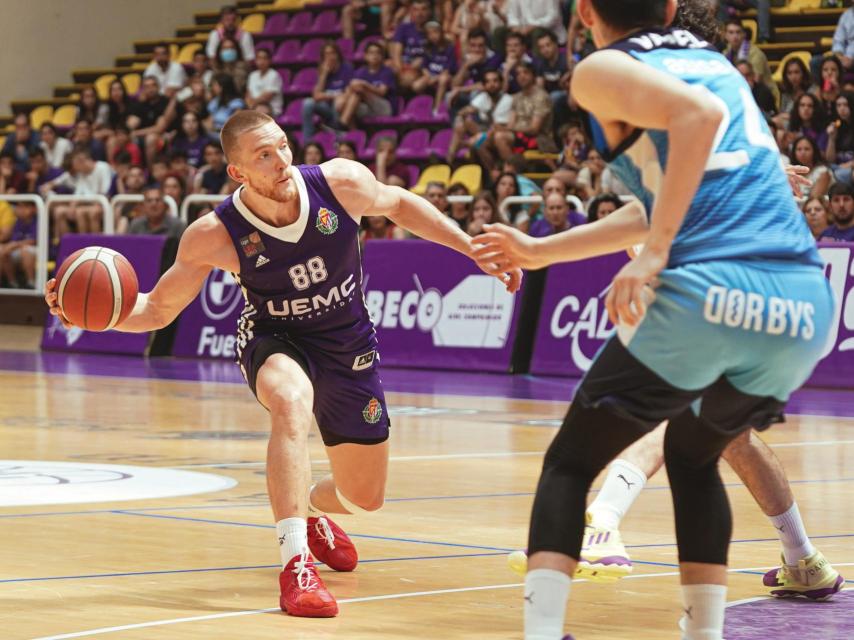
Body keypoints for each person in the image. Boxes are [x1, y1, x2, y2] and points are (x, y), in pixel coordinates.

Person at [44, 109, 520, 618]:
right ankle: (295, 566)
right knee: (290, 402)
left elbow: (401, 204)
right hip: (275, 336)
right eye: (263, 156)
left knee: (365, 500)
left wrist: (472, 248)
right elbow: (158, 309)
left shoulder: (340, 183)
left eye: (283, 147)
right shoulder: (214, 234)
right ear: (238, 172)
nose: (281, 162)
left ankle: (311, 508)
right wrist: (89, 315)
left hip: (347, 341)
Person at [472, 2, 837, 638]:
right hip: (803, 304)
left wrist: (659, 254)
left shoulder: (602, 69)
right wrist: (538, 251)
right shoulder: (718, 64)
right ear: (669, 7)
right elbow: (667, 193)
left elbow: (694, 123)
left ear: (583, 12)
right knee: (693, 455)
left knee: (566, 465)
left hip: (712, 289)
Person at [446, 69, 513, 164]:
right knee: (462, 123)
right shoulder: (483, 97)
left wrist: (477, 138)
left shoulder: (507, 100)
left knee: (477, 143)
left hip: (502, 133)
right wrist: (462, 115)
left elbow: (497, 127)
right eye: (488, 82)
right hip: (486, 131)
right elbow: (467, 110)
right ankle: (450, 158)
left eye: (495, 81)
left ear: (501, 84)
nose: (492, 84)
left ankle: (491, 170)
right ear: (484, 86)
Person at [302, 42, 354, 141]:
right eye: (326, 54)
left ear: (338, 55)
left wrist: (328, 96)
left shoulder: (346, 68)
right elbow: (316, 96)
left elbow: (348, 93)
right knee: (307, 103)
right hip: (326, 107)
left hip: (341, 106)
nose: (329, 57)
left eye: (332, 53)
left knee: (339, 101)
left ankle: (338, 132)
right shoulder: (323, 71)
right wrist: (324, 74)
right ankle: (307, 142)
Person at [339, 42, 397, 129]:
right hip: (367, 108)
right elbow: (350, 88)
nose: (375, 55)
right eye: (371, 53)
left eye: (378, 53)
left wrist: (365, 85)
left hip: (384, 107)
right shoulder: (360, 72)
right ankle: (350, 132)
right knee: (348, 100)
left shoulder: (386, 71)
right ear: (366, 56)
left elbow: (382, 92)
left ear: (382, 57)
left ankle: (341, 125)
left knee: (359, 90)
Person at [722, 18, 777, 103]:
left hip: (763, 97)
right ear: (725, 35)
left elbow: (755, 81)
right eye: (731, 32)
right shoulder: (725, 54)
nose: (735, 36)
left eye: (738, 32)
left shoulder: (756, 54)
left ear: (744, 34)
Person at [388, 0, 430, 91]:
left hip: (422, 69)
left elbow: (434, 54)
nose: (419, 13)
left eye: (423, 9)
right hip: (404, 66)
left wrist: (423, 61)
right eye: (416, 10)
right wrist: (401, 71)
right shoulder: (403, 28)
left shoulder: (433, 30)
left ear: (428, 12)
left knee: (410, 80)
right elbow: (396, 54)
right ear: (411, 12)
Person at [0, 200, 37, 289]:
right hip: (19, 249)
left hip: (38, 250)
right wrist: (8, 247)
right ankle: (12, 283)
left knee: (26, 251)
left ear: (34, 209)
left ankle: (31, 283)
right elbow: (13, 241)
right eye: (19, 207)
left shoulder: (38, 220)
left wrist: (14, 245)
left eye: (24, 206)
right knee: (2, 250)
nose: (20, 209)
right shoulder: (18, 222)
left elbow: (33, 241)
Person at [246, 48, 283, 117]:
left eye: (264, 58)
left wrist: (252, 105)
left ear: (269, 60)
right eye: (259, 58)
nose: (261, 61)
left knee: (259, 111)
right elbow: (248, 95)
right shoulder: (252, 75)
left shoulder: (274, 75)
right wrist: (250, 106)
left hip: (271, 108)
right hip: (254, 107)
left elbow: (266, 98)